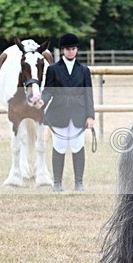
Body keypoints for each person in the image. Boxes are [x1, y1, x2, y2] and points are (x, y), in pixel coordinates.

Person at [39, 33, 95, 192]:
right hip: (59, 110)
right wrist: (42, 103)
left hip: (79, 111)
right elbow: (48, 90)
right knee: (59, 146)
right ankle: (57, 182)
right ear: (63, 50)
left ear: (76, 50)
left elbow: (88, 94)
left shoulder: (84, 70)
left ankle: (79, 182)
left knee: (78, 146)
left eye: (73, 48)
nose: (70, 51)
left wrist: (90, 115)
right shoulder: (53, 69)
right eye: (67, 49)